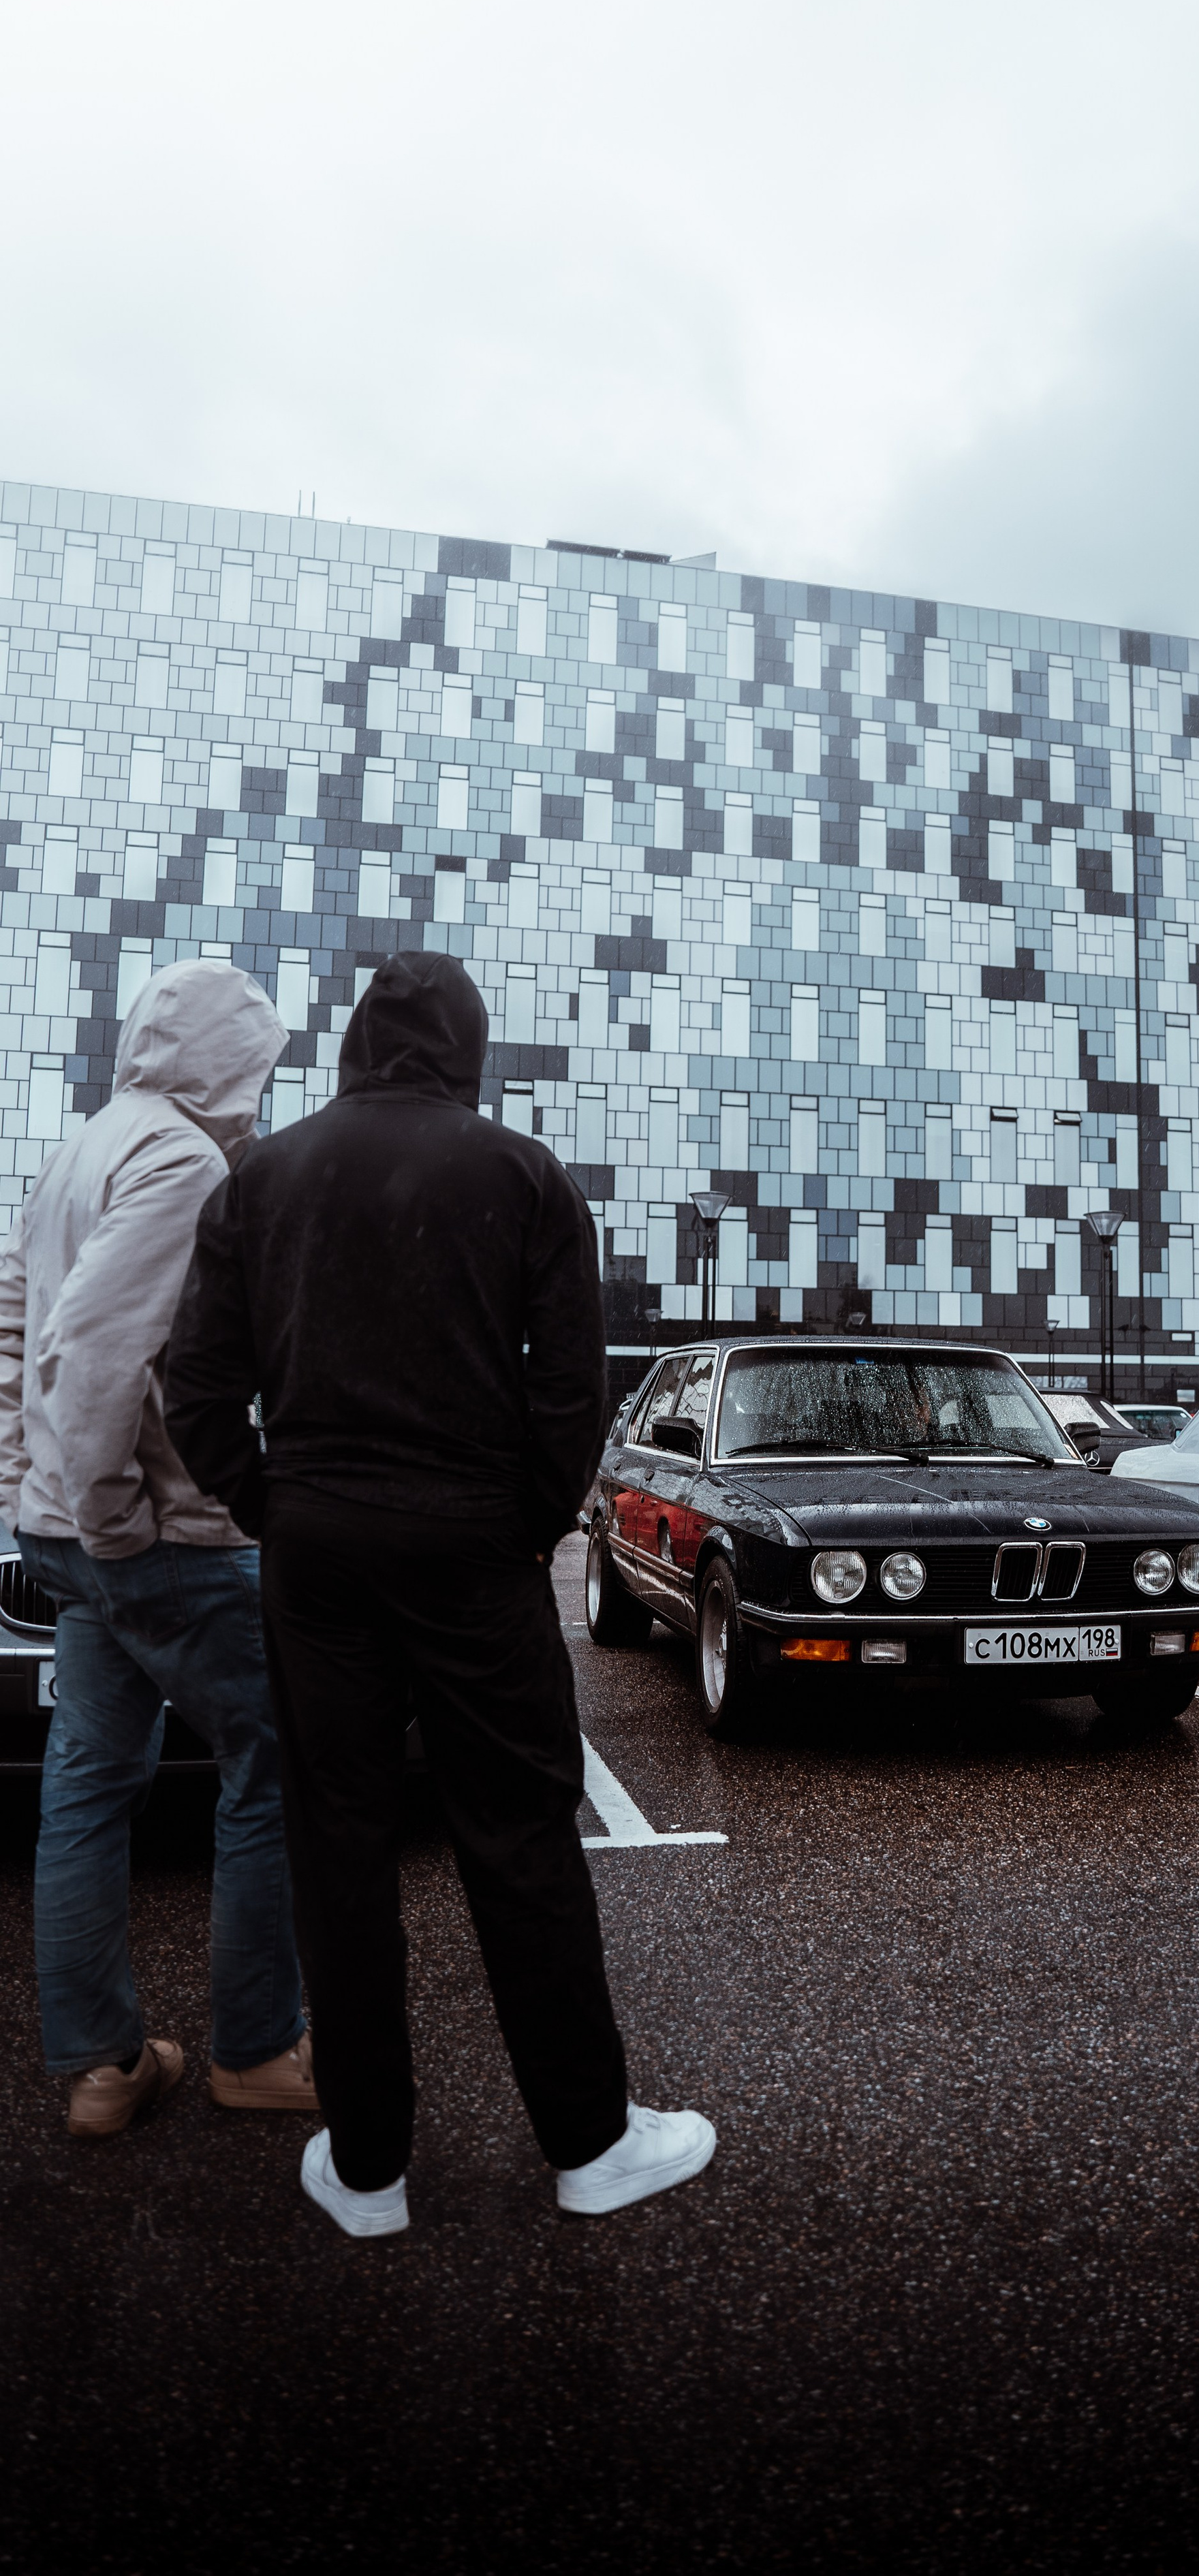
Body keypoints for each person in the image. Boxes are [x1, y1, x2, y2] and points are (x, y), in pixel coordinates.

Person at [164, 952, 713, 2238]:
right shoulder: (522, 1176)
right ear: (466, 1049)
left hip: (319, 1548)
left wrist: (273, 1505)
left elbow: (194, 1389)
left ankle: (368, 2172)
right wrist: (521, 1528)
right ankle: (589, 2144)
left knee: (337, 1843)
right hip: (472, 1546)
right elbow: (569, 1395)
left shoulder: (264, 1176)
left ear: (358, 1043)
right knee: (519, 1836)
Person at [0, 959, 313, 2135]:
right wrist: (116, 1519)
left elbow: (13, 1324)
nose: (263, 1094)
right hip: (161, 1537)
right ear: (227, 1061)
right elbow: (92, 1349)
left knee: (86, 1787)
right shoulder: (183, 1161)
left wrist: (32, 1494)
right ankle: (256, 2051)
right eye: (260, 1067)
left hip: (68, 1535)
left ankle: (101, 2071)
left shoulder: (82, 1147)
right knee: (272, 1770)